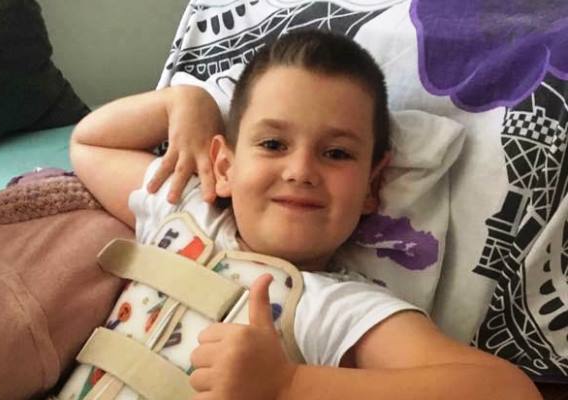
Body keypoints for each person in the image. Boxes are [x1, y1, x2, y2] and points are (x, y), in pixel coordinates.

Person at [70, 30, 540, 400]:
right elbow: (90, 144)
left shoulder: (336, 307)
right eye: (273, 144)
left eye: (336, 153)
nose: (300, 171)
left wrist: (289, 385)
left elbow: (509, 392)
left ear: (371, 188)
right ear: (225, 166)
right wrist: (184, 101)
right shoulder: (183, 206)